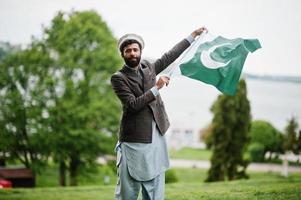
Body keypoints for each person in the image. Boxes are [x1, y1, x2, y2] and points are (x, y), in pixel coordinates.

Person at [111, 27, 207, 200]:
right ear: (122, 54)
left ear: (140, 51)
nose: (132, 53)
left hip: (156, 133)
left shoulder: (148, 67)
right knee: (128, 189)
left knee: (155, 188)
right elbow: (132, 105)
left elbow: (170, 55)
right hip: (133, 139)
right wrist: (157, 88)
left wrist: (192, 36)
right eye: (128, 51)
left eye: (135, 49)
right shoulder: (118, 78)